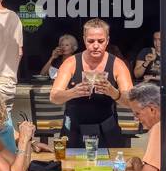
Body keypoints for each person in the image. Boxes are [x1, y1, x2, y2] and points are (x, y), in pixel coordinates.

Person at [50, 18, 135, 149]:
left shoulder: (117, 65)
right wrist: (73, 92)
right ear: (84, 40)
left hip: (106, 129)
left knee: (108, 168)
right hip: (74, 129)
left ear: (107, 40)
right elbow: (54, 97)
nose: (95, 45)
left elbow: (130, 101)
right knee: (70, 168)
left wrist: (114, 93)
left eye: (100, 41)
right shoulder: (71, 63)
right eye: (91, 41)